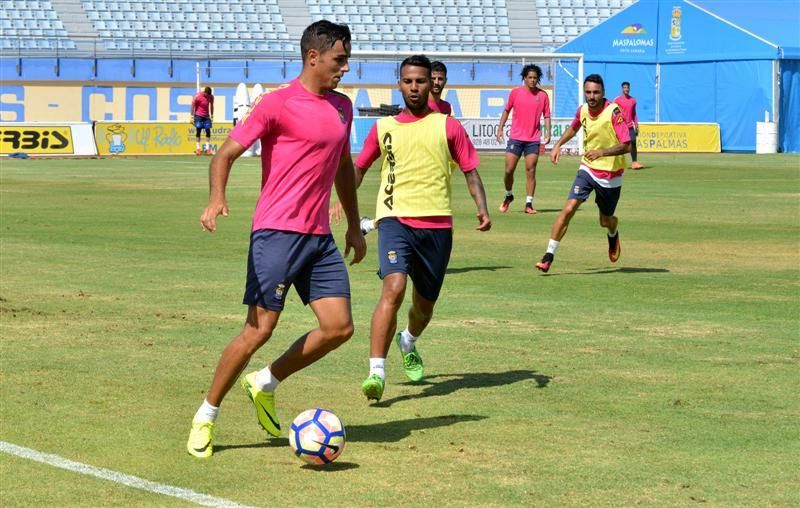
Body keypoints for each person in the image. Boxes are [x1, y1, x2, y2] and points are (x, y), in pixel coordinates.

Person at [186, 20, 366, 459]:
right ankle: (206, 415)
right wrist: (217, 198)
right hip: (277, 232)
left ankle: (265, 382)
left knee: (339, 327)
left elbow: (343, 167)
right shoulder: (276, 104)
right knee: (259, 329)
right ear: (313, 57)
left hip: (318, 238)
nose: (345, 68)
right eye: (339, 60)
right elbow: (226, 153)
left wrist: (354, 225)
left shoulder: (343, 107)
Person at [353, 55, 491, 402]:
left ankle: (408, 340)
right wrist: (343, 201)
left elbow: (470, 171)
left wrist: (482, 209)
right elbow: (359, 168)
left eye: (420, 81)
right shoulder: (384, 128)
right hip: (394, 219)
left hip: (437, 226)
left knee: (423, 308)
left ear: (432, 84)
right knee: (394, 287)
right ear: (399, 84)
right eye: (408, 81)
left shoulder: (448, 126)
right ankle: (376, 372)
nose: (414, 87)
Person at [535, 74, 631, 273]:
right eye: (588, 92)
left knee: (605, 220)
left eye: (596, 92)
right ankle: (548, 256)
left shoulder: (614, 112)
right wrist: (558, 145)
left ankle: (613, 232)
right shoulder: (583, 110)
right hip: (587, 168)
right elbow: (574, 127)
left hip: (611, 175)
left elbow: (627, 145)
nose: (592, 96)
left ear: (603, 92)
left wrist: (602, 152)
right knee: (569, 208)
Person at [495, 64, 551, 214]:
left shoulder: (543, 96)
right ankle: (509, 195)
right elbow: (506, 111)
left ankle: (529, 204)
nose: (532, 80)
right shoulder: (515, 92)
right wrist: (500, 128)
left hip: (533, 139)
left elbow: (546, 115)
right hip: (516, 138)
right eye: (530, 77)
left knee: (531, 170)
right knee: (508, 170)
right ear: (524, 78)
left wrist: (548, 131)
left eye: (535, 78)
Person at [614, 81, 643, 169]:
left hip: (630, 126)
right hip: (620, 126)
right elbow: (613, 110)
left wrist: (636, 125)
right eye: (624, 88)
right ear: (622, 89)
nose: (626, 89)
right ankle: (616, 164)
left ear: (629, 88)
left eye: (627, 87)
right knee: (619, 145)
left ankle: (634, 163)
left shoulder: (633, 100)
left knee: (633, 141)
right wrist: (619, 116)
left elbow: (634, 114)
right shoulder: (617, 100)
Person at [190, 87, 215, 155]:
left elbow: (211, 105)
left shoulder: (211, 97)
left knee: (208, 131)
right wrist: (192, 116)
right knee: (198, 131)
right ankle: (198, 149)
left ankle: (207, 149)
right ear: (204, 92)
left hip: (206, 116)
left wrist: (212, 115)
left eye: (209, 95)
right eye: (207, 95)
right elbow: (192, 105)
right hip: (198, 116)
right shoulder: (198, 96)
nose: (208, 97)